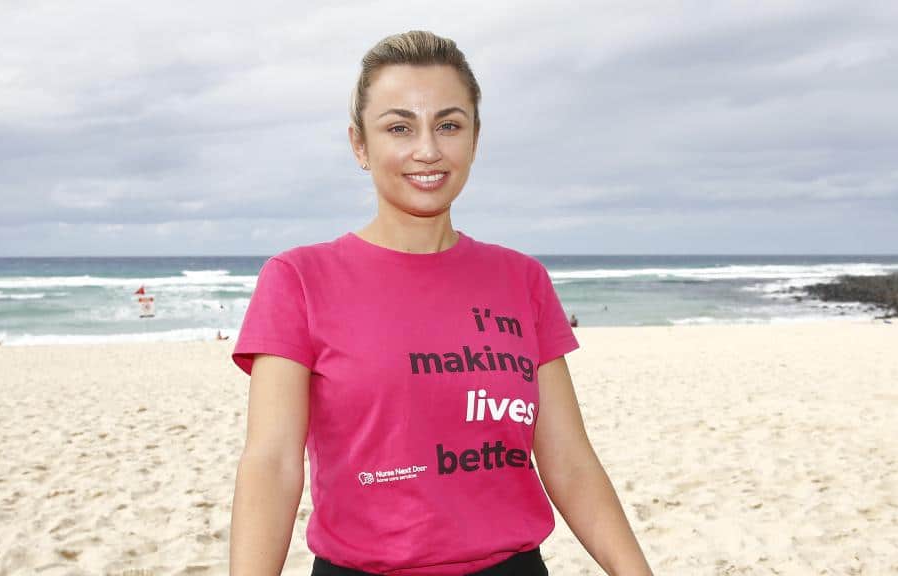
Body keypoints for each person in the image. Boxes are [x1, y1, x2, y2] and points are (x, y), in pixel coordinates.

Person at [229, 30, 653, 576]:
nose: (427, 149)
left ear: (475, 139)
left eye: (449, 125)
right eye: (399, 127)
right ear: (360, 145)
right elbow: (272, 464)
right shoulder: (298, 279)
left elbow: (568, 460)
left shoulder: (521, 279)